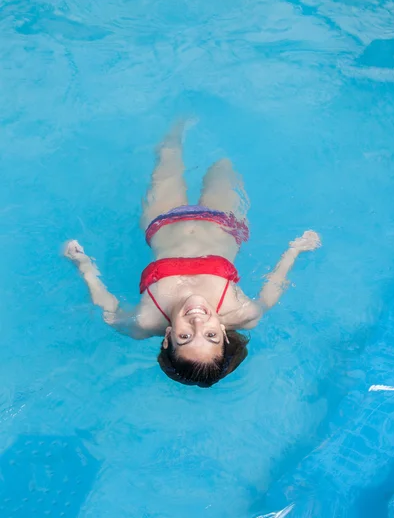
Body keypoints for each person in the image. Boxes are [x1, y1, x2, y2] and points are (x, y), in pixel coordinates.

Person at [64, 123, 321, 387]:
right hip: (226, 219)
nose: (197, 321)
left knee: (167, 152)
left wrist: (83, 265)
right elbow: (270, 293)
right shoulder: (242, 312)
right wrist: (294, 251)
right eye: (210, 335)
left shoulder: (145, 320)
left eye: (185, 337)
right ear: (223, 332)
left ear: (167, 338)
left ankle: (179, 119)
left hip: (162, 220)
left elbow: (109, 312)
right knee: (224, 163)